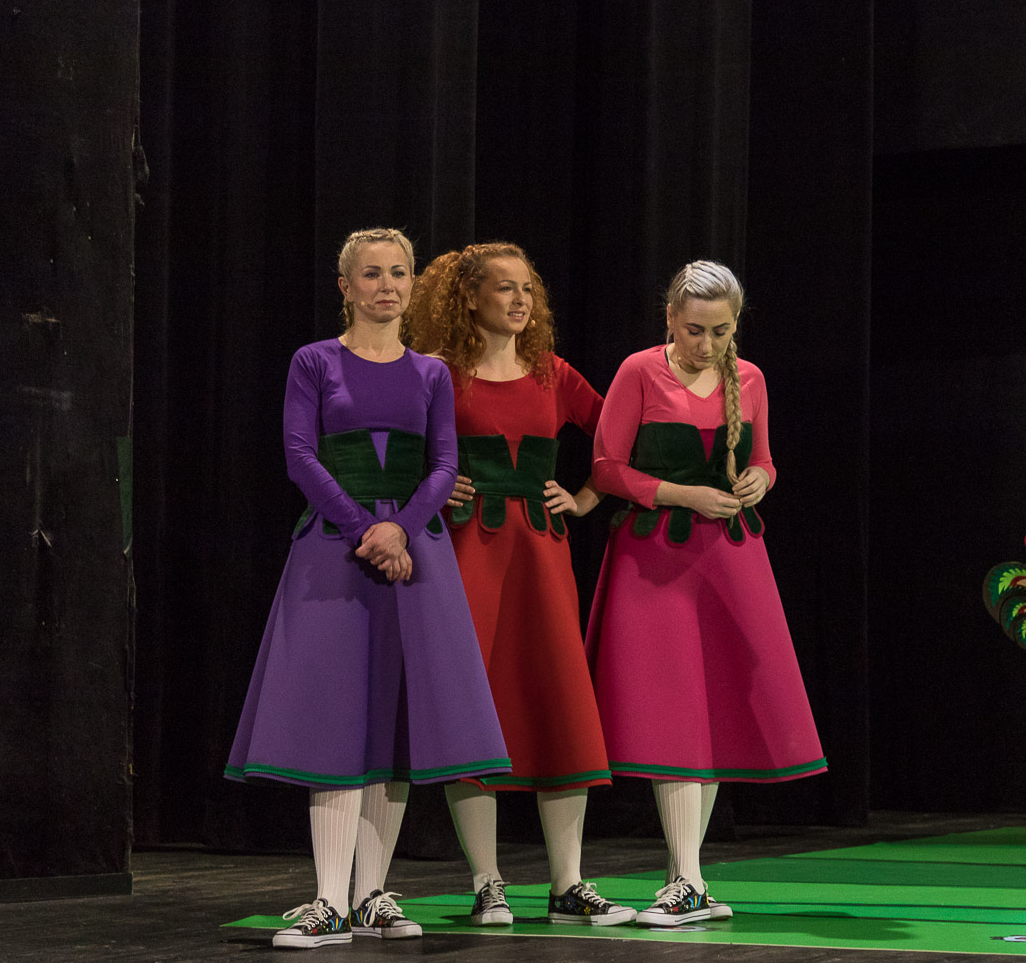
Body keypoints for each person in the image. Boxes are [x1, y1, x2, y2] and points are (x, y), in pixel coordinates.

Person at [224, 228, 510, 949]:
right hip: (336, 551)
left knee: (393, 720)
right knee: (336, 719)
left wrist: (402, 530)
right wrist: (366, 530)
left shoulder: (431, 373)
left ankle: (371, 894)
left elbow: (444, 464)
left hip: (415, 556)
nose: (388, 286)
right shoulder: (314, 361)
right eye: (373, 274)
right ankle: (328, 900)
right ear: (345, 286)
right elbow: (300, 455)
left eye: (400, 273)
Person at [584, 259, 826, 927]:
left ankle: (687, 878)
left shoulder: (750, 378)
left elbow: (766, 459)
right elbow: (606, 468)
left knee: (711, 708)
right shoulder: (639, 371)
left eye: (721, 331)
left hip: (729, 559)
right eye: (695, 330)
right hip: (655, 558)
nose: (707, 344)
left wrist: (760, 481)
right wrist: (680, 493)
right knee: (672, 710)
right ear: (670, 318)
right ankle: (687, 880)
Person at [402, 242, 637, 927]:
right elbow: (391, 448)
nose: (520, 300)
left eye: (527, 288)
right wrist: (430, 486)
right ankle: (488, 882)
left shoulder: (551, 372)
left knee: (557, 703)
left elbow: (622, 436)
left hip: (541, 557)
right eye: (505, 288)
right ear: (469, 297)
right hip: (468, 555)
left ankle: (569, 883)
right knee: (474, 706)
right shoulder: (437, 373)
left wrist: (586, 497)